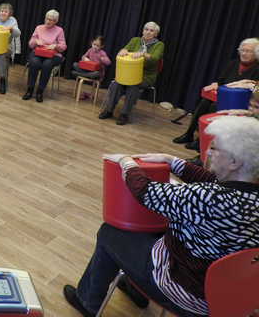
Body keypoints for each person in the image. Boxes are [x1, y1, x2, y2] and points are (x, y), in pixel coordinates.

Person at [64, 116, 259, 317]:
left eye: (215, 148)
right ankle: (134, 289)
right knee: (152, 228)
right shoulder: (247, 193)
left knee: (109, 233)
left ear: (234, 162)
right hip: (225, 292)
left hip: (187, 293)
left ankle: (87, 302)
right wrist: (172, 161)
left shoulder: (209, 198)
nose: (208, 152)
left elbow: (146, 192)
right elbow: (212, 180)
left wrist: (126, 162)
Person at [173, 38, 259, 150]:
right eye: (242, 50)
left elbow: (254, 92)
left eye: (248, 51)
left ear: (256, 54)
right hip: (223, 97)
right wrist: (215, 83)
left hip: (239, 103)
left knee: (214, 105)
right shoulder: (233, 63)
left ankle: (201, 140)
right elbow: (221, 79)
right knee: (204, 102)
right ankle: (189, 133)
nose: (244, 53)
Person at [98, 22, 164, 125]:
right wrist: (123, 50)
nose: (148, 32)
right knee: (116, 84)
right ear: (142, 31)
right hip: (129, 73)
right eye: (146, 29)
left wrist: (144, 55)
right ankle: (109, 110)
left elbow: (156, 59)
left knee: (133, 86)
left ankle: (124, 114)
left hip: (146, 75)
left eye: (151, 31)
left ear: (156, 34)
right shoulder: (135, 40)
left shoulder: (159, 45)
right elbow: (125, 49)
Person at [23, 10, 66, 103]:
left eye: (51, 20)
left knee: (47, 65)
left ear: (56, 21)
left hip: (53, 55)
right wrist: (35, 41)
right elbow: (30, 44)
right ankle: (29, 91)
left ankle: (40, 92)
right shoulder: (39, 28)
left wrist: (56, 45)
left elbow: (63, 46)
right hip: (38, 52)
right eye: (47, 18)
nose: (48, 21)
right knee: (34, 63)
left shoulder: (59, 30)